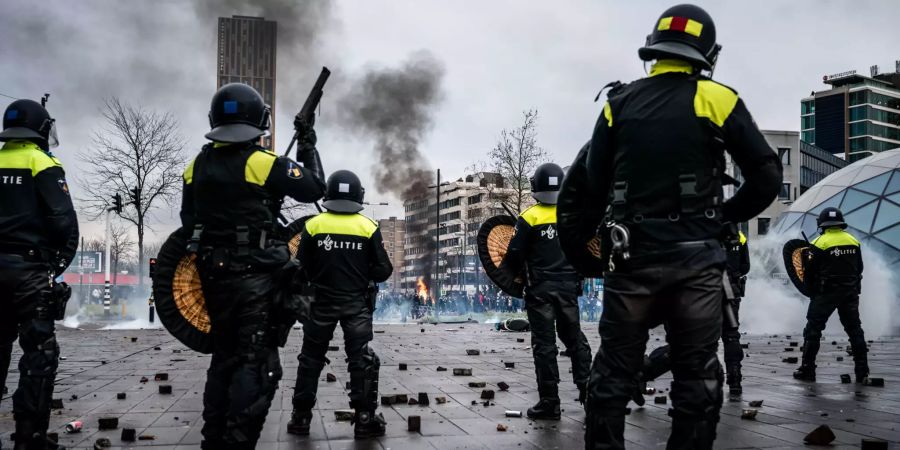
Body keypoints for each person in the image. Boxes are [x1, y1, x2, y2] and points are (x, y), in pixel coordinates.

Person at [575, 4, 783, 448]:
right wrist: (722, 217)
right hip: (696, 265)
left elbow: (592, 182)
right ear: (708, 53)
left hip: (631, 259)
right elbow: (766, 175)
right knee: (697, 379)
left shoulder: (618, 103)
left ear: (654, 49)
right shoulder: (718, 98)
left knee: (612, 372)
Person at [180, 83, 325, 449]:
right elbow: (314, 188)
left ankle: (213, 439)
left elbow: (188, 221)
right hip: (256, 281)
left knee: (224, 358)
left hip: (214, 277)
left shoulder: (194, 167)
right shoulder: (262, 163)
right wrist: (307, 143)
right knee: (256, 364)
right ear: (258, 121)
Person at [288, 170, 393, 439]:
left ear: (329, 195)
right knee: (361, 360)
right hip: (355, 304)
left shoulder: (313, 226)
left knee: (310, 359)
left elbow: (300, 267)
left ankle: (300, 418)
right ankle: (365, 419)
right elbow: (383, 271)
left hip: (320, 304)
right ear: (359, 196)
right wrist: (363, 267)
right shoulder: (368, 227)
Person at [0, 99, 77, 450]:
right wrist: (52, 269)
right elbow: (64, 223)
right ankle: (29, 439)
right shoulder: (41, 162)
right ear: (41, 128)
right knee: (38, 356)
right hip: (29, 272)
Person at [502, 163, 593, 420]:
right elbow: (586, 250)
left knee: (545, 346)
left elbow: (514, 255)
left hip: (540, 291)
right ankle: (589, 394)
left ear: (535, 188)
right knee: (575, 341)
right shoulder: (573, 215)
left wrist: (514, 276)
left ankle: (550, 402)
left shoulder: (529, 217)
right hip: (568, 289)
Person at [637, 230, 751, 400]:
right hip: (729, 292)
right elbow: (745, 266)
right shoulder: (737, 234)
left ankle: (645, 372)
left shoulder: (695, 227)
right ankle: (735, 381)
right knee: (731, 337)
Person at [794, 207, 867, 382]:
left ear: (822, 224)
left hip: (826, 293)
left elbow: (809, 272)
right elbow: (860, 267)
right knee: (855, 330)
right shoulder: (853, 241)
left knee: (813, 330)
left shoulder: (819, 243)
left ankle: (808, 370)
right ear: (841, 223)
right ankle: (862, 371)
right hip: (850, 292)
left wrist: (810, 291)